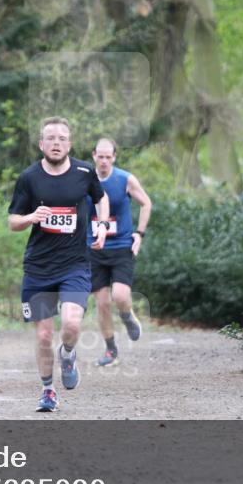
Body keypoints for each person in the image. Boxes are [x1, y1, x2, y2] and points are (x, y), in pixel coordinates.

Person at [8, 117, 109, 412]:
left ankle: (68, 353)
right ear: (41, 144)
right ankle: (48, 390)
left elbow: (100, 199)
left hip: (74, 265)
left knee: (71, 323)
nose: (56, 143)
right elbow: (13, 221)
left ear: (70, 144)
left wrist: (101, 225)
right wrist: (30, 218)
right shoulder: (29, 178)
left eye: (62, 138)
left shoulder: (84, 172)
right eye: (50, 138)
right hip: (38, 268)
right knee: (42, 335)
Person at [87, 138, 152, 367]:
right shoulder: (84, 178)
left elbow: (146, 203)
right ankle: (110, 350)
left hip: (121, 245)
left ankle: (127, 315)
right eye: (100, 156)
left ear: (114, 157)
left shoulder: (124, 179)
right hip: (95, 248)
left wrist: (139, 233)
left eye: (108, 157)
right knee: (102, 303)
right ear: (94, 155)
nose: (104, 161)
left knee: (121, 296)